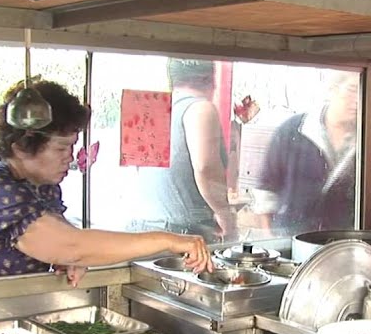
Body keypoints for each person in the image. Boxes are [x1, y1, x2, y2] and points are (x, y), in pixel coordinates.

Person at [0, 79, 213, 285]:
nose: (70, 157)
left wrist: (68, 256)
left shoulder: (40, 183)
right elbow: (73, 245)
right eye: (62, 148)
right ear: (21, 148)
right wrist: (166, 239)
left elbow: (65, 241)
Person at [252, 72, 360, 236]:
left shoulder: (367, 141)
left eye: (362, 92)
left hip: (343, 246)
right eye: (351, 90)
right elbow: (266, 192)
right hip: (291, 240)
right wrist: (270, 240)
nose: (358, 100)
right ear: (332, 90)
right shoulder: (293, 130)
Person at [142, 58, 235, 242]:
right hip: (182, 229)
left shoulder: (155, 109)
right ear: (210, 78)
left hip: (145, 226)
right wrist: (225, 214)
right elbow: (205, 168)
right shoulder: (200, 108)